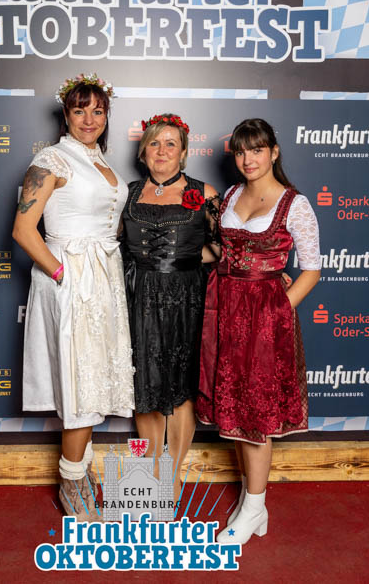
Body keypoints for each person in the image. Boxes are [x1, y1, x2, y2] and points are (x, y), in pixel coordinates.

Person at [12, 74, 133, 522]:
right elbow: (23, 230)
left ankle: (80, 470)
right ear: (66, 114)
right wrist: (63, 273)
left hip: (103, 278)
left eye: (97, 111)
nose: (89, 119)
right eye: (80, 110)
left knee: (95, 377)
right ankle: (71, 481)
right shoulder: (51, 159)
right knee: (79, 380)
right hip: (71, 279)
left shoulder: (100, 161)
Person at [196, 118, 321, 546]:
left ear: (274, 152)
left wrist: (277, 312)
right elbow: (220, 252)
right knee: (232, 410)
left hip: (263, 319)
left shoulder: (294, 204)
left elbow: (311, 270)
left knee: (254, 415)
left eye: (257, 150)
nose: (248, 159)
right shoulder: (231, 195)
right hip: (224, 308)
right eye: (241, 151)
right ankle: (254, 505)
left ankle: (253, 508)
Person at [120, 113, 219, 507]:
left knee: (180, 386)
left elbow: (224, 249)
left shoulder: (204, 192)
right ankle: (148, 473)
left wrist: (184, 258)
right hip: (139, 295)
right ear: (143, 151)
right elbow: (110, 244)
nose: (162, 151)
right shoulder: (127, 193)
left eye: (171, 144)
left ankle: (172, 476)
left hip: (186, 297)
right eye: (155, 143)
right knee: (145, 383)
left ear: (183, 152)